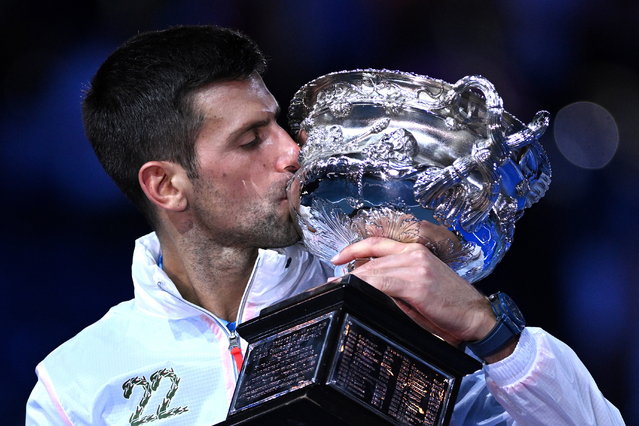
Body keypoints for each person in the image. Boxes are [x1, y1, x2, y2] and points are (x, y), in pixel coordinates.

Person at [26, 25, 624, 425]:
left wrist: (488, 330)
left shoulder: (394, 298)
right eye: (250, 140)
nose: (292, 152)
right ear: (167, 186)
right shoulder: (76, 384)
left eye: (279, 124)